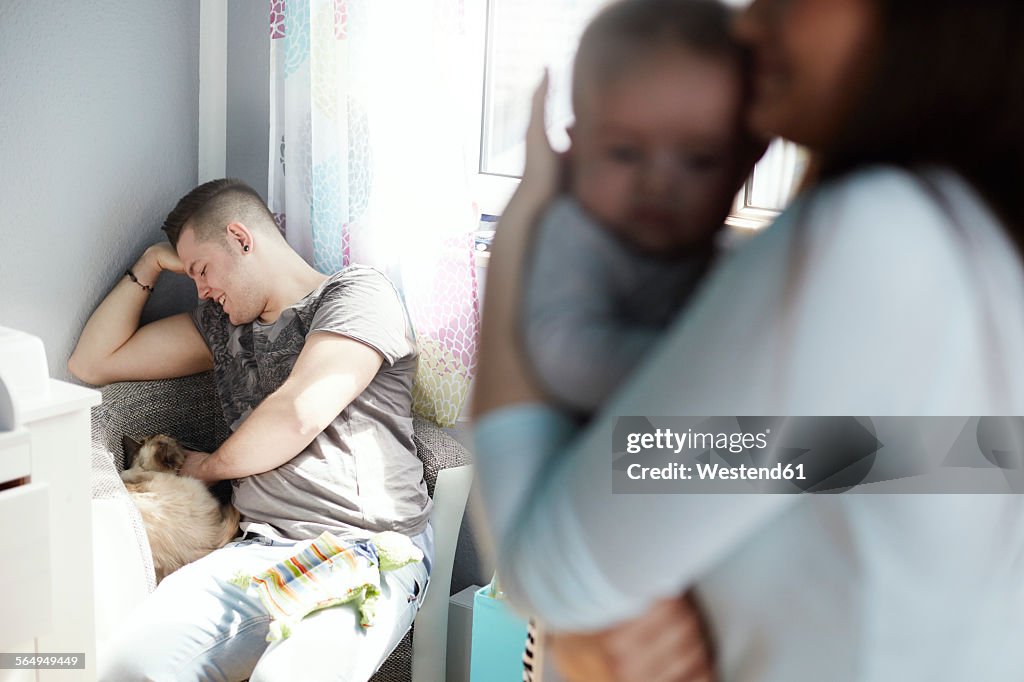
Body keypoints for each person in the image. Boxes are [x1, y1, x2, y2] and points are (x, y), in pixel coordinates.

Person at [472, 0, 1024, 680]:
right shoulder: (976, 239)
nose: (748, 23)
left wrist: (528, 214)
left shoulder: (878, 238)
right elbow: (857, 471)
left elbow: (547, 573)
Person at [69, 179, 433, 682]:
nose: (200, 290)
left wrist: (208, 466)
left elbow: (298, 412)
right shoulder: (222, 328)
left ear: (241, 238)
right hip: (255, 550)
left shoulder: (356, 294)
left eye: (201, 270)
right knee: (124, 669)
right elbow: (93, 361)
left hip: (362, 548)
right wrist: (152, 263)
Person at [522, 0, 762, 415]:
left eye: (700, 160)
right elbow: (566, 354)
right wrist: (709, 362)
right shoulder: (576, 233)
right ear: (574, 152)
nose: (658, 184)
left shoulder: (737, 259)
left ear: (745, 166)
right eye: (625, 153)